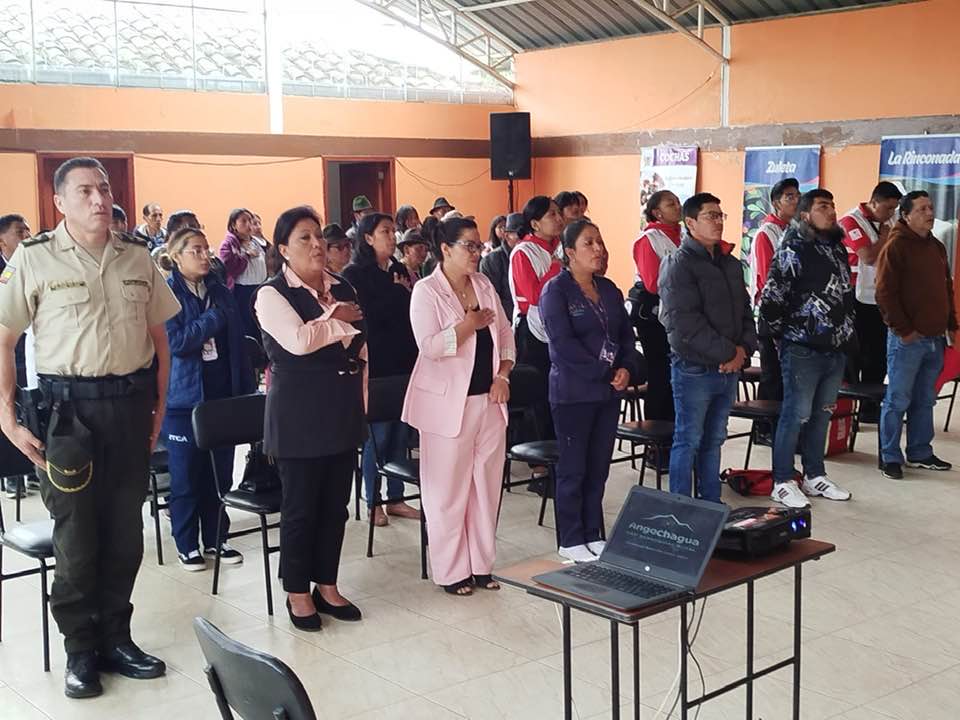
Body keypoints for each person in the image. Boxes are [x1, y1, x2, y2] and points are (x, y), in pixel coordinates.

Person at [0, 156, 180, 698]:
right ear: (59, 202)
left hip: (129, 409)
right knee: (77, 539)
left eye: (104, 188)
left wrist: (159, 407)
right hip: (67, 417)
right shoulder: (34, 258)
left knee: (125, 534)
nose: (100, 199)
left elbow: (161, 340)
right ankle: (80, 648)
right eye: (84, 191)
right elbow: (4, 337)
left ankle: (117, 638)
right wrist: (6, 416)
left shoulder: (137, 257)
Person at [253, 205, 366, 630]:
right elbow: (298, 342)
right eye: (304, 237)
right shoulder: (272, 294)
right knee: (300, 508)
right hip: (297, 416)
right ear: (283, 248)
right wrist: (335, 319)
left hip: (341, 407)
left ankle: (327, 585)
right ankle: (297, 591)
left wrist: (336, 325)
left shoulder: (342, 286)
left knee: (335, 506)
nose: (317, 244)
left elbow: (359, 341)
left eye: (319, 236)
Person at [404, 215, 515, 595]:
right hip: (447, 406)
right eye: (468, 246)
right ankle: (452, 571)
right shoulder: (426, 291)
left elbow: (505, 335)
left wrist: (503, 375)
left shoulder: (483, 284)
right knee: (447, 492)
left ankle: (482, 566)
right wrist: (469, 325)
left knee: (486, 487)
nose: (476, 253)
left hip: (489, 399)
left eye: (478, 246)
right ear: (445, 249)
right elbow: (430, 347)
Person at [542, 220, 640, 562]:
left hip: (608, 393)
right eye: (589, 243)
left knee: (598, 467)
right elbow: (563, 345)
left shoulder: (609, 289)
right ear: (570, 252)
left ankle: (593, 533)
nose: (599, 249)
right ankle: (570, 539)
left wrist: (627, 368)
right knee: (574, 469)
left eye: (600, 241)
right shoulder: (555, 291)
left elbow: (625, 336)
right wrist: (605, 372)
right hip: (573, 393)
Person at [162, 226, 255, 570]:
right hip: (183, 398)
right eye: (196, 250)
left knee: (219, 475)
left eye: (206, 249)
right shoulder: (167, 293)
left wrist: (243, 388)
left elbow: (237, 342)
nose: (205, 256)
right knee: (187, 477)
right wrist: (212, 318)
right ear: (176, 256)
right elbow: (177, 342)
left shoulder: (219, 290)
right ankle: (187, 544)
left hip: (220, 395)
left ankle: (217, 539)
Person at [758, 189, 855, 508]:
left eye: (833, 205)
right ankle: (783, 480)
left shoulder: (836, 247)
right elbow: (772, 298)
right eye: (823, 207)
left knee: (822, 414)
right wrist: (780, 337)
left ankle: (815, 475)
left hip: (835, 346)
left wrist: (847, 332)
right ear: (804, 214)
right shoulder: (793, 248)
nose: (831, 212)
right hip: (801, 346)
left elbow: (844, 294)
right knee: (795, 414)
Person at [659, 192, 757, 503]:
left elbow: (746, 312)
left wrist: (743, 350)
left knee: (714, 440)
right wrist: (729, 353)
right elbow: (683, 325)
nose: (718, 222)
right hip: (694, 368)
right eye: (710, 216)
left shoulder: (730, 264)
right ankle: (681, 508)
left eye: (720, 215)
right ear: (690, 223)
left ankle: (710, 505)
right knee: (688, 440)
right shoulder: (679, 264)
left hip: (729, 367)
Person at [342, 213, 421, 525]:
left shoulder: (398, 269)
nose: (392, 236)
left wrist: (402, 294)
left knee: (401, 434)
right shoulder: (355, 274)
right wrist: (398, 294)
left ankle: (396, 498)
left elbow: (411, 310)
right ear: (368, 238)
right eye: (385, 231)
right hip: (376, 364)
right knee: (378, 436)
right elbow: (368, 315)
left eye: (393, 231)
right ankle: (373, 500)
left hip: (404, 360)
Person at [875, 190, 956, 480]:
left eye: (931, 208)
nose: (930, 213)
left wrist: (951, 324)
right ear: (906, 215)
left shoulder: (936, 246)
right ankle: (890, 456)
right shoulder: (896, 246)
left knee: (925, 399)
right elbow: (885, 293)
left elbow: (946, 288)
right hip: (907, 339)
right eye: (922, 209)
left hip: (935, 337)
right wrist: (904, 330)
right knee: (897, 399)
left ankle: (920, 452)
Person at [840, 181, 903, 422]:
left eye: (895, 209)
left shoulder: (891, 220)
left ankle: (870, 408)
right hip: (855, 296)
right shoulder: (851, 221)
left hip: (880, 295)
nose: (891, 213)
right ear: (874, 202)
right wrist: (886, 237)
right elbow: (867, 256)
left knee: (878, 354)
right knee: (856, 354)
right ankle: (848, 407)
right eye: (888, 208)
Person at [509, 196, 563, 442]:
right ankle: (540, 453)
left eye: (558, 213)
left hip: (560, 326)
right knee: (538, 392)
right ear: (535, 223)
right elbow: (532, 295)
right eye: (552, 214)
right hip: (532, 330)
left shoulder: (560, 247)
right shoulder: (523, 252)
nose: (559, 219)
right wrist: (555, 269)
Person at [751, 177, 800, 443]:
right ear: (776, 203)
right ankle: (763, 429)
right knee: (772, 374)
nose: (796, 200)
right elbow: (766, 277)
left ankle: (783, 427)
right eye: (789, 196)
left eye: (797, 196)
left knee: (788, 374)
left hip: (794, 313)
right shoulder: (766, 233)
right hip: (772, 313)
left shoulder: (795, 230)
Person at [630, 190, 682, 426]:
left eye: (678, 202)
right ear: (657, 212)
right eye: (671, 204)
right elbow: (653, 282)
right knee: (660, 373)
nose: (677, 207)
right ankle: (656, 433)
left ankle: (675, 429)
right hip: (654, 315)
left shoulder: (684, 236)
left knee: (678, 376)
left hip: (681, 314)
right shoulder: (648, 239)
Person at [0, 214, 34, 498]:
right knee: (10, 408)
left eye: (28, 231)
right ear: (2, 241)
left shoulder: (33, 264)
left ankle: (32, 467)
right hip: (6, 350)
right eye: (19, 232)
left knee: (31, 409)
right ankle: (13, 476)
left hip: (31, 352)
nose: (27, 237)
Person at [218, 208, 267, 341]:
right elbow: (227, 264)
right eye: (243, 221)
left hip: (260, 287)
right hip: (243, 291)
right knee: (248, 325)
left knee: (262, 324)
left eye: (250, 220)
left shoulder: (255, 241)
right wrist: (245, 255)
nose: (248, 224)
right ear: (234, 225)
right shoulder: (229, 243)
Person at [480, 211, 521, 321]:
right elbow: (491, 300)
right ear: (507, 236)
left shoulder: (531, 255)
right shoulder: (492, 260)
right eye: (520, 234)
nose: (525, 239)